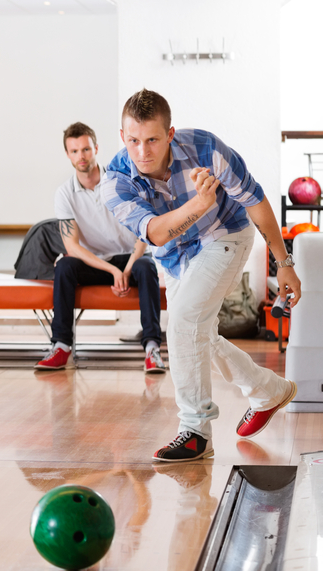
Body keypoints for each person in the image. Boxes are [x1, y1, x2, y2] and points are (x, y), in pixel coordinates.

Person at [102, 89, 301, 462]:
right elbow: (157, 233)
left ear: (170, 134)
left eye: (152, 140)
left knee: (182, 324)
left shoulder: (206, 148)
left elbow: (255, 201)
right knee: (198, 336)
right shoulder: (115, 181)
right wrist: (198, 203)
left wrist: (284, 263)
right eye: (133, 140)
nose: (142, 151)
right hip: (173, 255)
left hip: (224, 235)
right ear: (122, 137)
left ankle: (195, 431)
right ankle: (268, 390)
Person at [35, 122, 165, 373]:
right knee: (64, 265)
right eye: (74, 151)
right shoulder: (64, 194)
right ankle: (61, 345)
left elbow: (145, 230)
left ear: (96, 148)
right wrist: (113, 272)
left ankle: (152, 349)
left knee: (147, 266)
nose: (81, 156)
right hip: (97, 263)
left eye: (85, 149)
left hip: (132, 258)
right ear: (67, 155)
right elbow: (72, 247)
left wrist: (125, 270)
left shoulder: (120, 180)